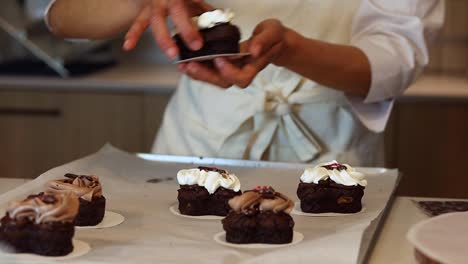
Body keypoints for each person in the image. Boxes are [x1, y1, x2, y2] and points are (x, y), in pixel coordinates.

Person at [46, 0, 444, 166]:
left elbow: (397, 56)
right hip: (194, 151)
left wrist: (290, 49)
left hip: (330, 160)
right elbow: (62, 16)